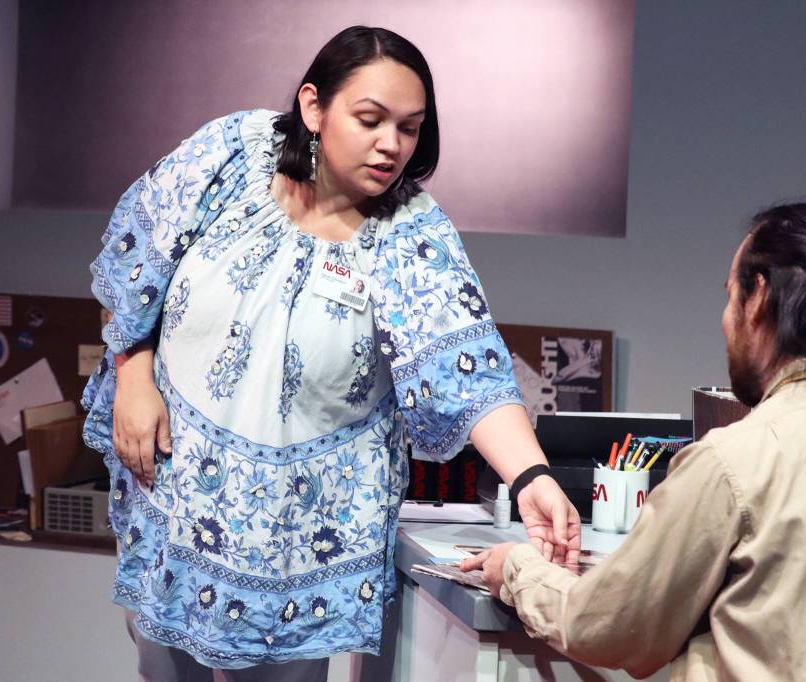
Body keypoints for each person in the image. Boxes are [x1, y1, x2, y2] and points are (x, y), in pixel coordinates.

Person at [81, 26, 580, 680]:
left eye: (410, 128)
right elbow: (135, 265)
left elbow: (468, 365)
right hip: (175, 498)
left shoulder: (411, 235)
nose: (391, 145)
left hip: (299, 537)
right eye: (370, 119)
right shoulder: (230, 157)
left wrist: (532, 478)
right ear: (313, 107)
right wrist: (134, 375)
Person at [462, 203, 806, 680]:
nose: (725, 319)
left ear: (758, 298)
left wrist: (517, 570)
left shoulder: (732, 462)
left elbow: (609, 626)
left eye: (730, 296)